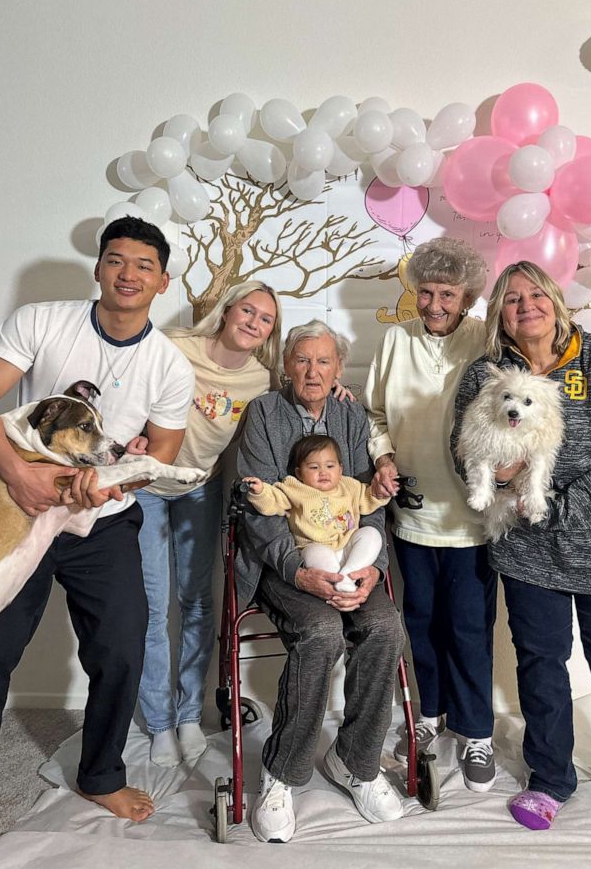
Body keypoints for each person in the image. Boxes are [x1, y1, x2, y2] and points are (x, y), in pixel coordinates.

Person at [450, 260, 591, 855]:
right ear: (499, 313)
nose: (525, 305)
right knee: (540, 666)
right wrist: (503, 485)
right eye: (511, 298)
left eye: (535, 294)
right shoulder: (485, 374)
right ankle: (551, 778)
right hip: (528, 555)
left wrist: (552, 500)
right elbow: (466, 457)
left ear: (555, 300)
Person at [0, 217, 194, 822]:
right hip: (22, 507)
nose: (129, 274)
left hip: (103, 521)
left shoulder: (170, 366)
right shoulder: (40, 321)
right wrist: (19, 475)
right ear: (98, 269)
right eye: (116, 260)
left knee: (122, 648)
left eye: (144, 266)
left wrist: (112, 480)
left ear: (162, 282)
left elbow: (159, 462)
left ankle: (100, 775)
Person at [237, 320, 406, 843]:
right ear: (286, 366)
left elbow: (367, 500)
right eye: (302, 360)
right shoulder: (264, 413)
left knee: (383, 627)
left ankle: (354, 761)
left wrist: (370, 569)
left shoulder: (351, 414)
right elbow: (259, 510)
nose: (313, 371)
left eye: (324, 361)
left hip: (347, 559)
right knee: (322, 631)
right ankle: (282, 772)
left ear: (338, 368)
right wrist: (298, 571)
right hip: (282, 562)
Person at [363, 236, 497, 792]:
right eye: (426, 292)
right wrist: (384, 456)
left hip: (469, 515)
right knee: (417, 624)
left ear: (466, 298)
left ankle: (476, 730)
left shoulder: (485, 342)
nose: (435, 304)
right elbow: (375, 415)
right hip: (411, 513)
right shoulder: (395, 340)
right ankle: (429, 717)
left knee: (467, 627)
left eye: (447, 293)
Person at [135, 281, 282, 768]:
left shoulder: (261, 382)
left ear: (268, 334)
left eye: (265, 319)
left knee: (197, 603)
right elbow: (128, 389)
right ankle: (158, 723)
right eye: (248, 310)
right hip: (148, 486)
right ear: (227, 310)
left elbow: (285, 419)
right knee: (153, 607)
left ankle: (187, 716)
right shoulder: (174, 346)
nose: (253, 323)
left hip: (201, 488)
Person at [243, 433, 387, 593]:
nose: (323, 472)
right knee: (314, 553)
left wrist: (382, 492)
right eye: (314, 467)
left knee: (372, 534)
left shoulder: (350, 486)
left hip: (348, 546)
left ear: (340, 470)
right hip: (315, 547)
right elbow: (273, 502)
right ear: (299, 473)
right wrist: (260, 491)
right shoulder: (294, 488)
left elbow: (369, 499)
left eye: (330, 466)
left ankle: (349, 573)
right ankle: (338, 582)